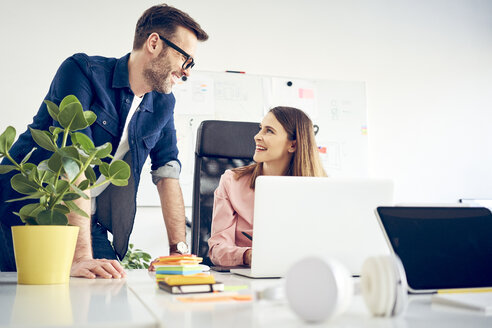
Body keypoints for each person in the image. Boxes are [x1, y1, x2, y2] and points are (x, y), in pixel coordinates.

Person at [0, 4, 208, 278]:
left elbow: (167, 172)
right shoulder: (83, 71)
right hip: (26, 207)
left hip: (85, 218)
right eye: (185, 59)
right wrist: (81, 256)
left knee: (111, 284)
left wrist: (178, 254)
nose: (187, 71)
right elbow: (73, 161)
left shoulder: (163, 103)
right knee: (27, 295)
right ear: (154, 43)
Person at [207, 106, 327, 267]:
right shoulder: (232, 182)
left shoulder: (320, 187)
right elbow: (217, 249)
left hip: (301, 271)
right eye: (260, 129)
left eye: (269, 131)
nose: (257, 136)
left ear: (293, 145)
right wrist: (248, 255)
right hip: (247, 276)